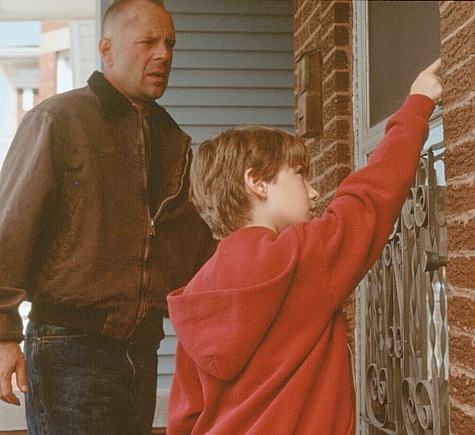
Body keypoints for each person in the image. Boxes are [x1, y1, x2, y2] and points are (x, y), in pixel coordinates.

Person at [166, 59, 443, 434]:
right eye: (299, 174)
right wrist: (416, 106)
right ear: (257, 183)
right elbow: (371, 198)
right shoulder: (300, 257)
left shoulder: (197, 295)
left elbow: (185, 417)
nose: (313, 191)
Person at [0, 0, 215, 434]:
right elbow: (11, 230)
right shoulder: (58, 119)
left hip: (143, 348)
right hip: (69, 348)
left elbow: (196, 251)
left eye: (170, 44)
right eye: (148, 42)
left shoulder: (173, 139)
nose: (164, 55)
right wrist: (4, 334)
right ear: (106, 49)